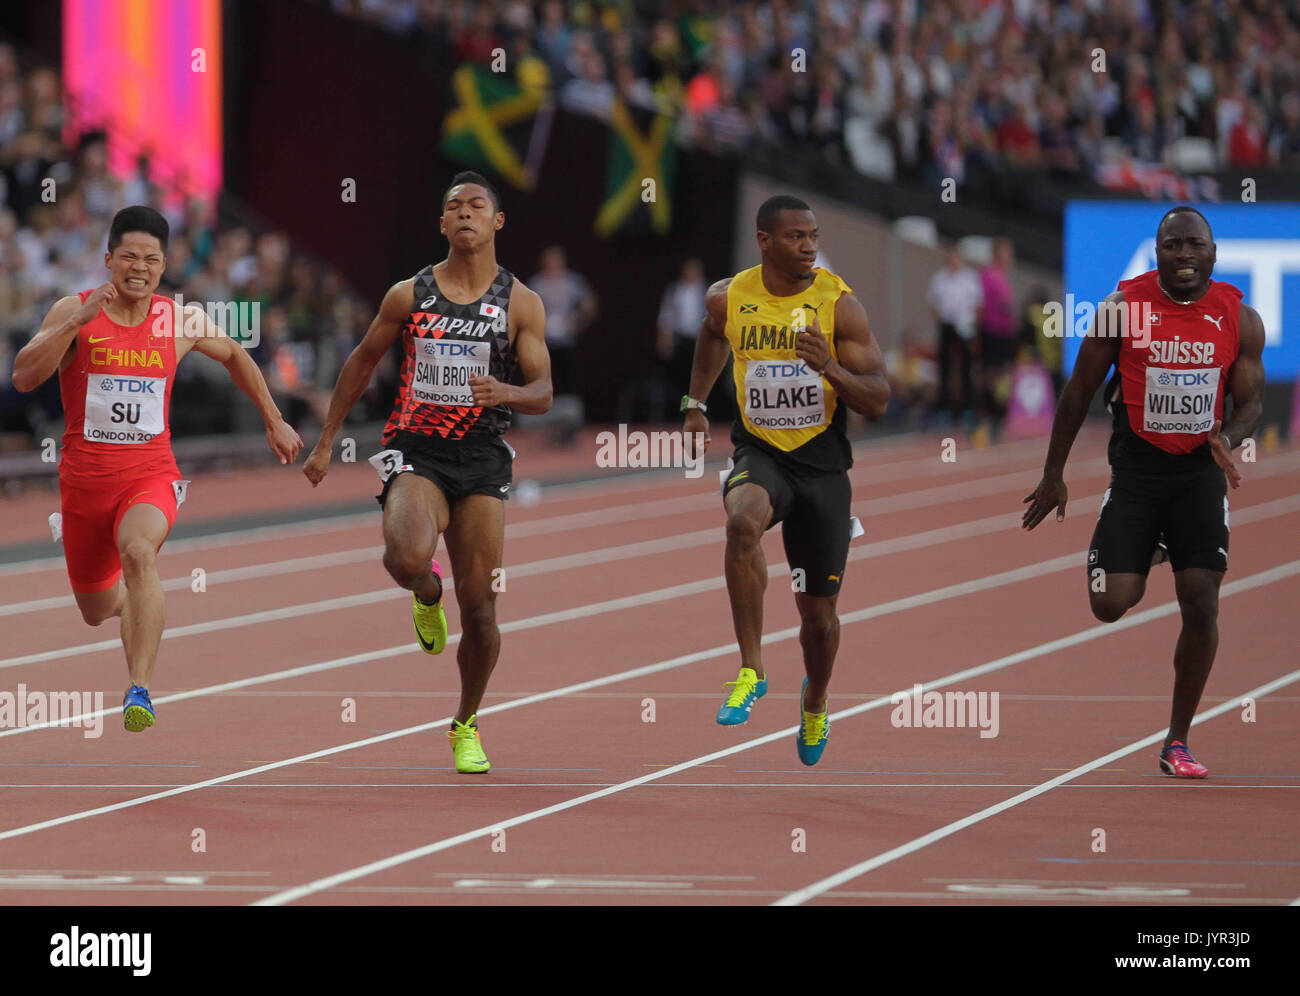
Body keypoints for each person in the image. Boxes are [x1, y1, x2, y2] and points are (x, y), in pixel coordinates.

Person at [10, 205, 302, 731]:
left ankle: (138, 688)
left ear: (164, 265)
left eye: (150, 259)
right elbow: (24, 377)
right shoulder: (72, 310)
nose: (139, 268)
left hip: (150, 475)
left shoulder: (180, 318)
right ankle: (142, 609)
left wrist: (273, 419)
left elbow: (235, 353)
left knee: (140, 553)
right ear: (108, 260)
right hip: (83, 486)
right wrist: (74, 325)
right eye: (128, 257)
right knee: (96, 610)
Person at [303, 172, 552, 774]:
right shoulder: (408, 295)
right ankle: (425, 592)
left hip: (482, 461)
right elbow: (362, 363)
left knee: (484, 614)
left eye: (476, 206)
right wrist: (327, 439)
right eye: (453, 207)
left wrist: (506, 393)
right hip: (418, 452)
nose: (464, 213)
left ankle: (465, 722)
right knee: (404, 557)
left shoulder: (521, 302)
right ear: (441, 224)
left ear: (497, 222)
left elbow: (544, 393)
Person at [1022, 206, 1265, 778]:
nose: (1184, 255)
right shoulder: (1121, 310)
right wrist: (1054, 473)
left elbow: (1251, 401)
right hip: (1136, 473)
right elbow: (1080, 389)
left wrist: (1229, 437)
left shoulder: (1239, 317)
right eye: (1172, 245)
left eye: (1194, 245)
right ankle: (1149, 544)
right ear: (1156, 253)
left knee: (1201, 599)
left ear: (1213, 253)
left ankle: (1177, 740)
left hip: (1200, 473)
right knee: (1109, 603)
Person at [683, 194, 889, 765]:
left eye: (814, 236)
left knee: (818, 619)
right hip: (762, 452)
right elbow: (710, 334)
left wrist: (831, 368)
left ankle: (816, 700)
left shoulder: (839, 305)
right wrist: (694, 400)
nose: (809, 247)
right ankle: (751, 669)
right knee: (741, 520)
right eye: (797, 237)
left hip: (823, 467)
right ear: (764, 241)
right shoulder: (730, 297)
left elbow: (880, 397)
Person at [528, 244, 596, 398]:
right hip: (543, 339)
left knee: (567, 376)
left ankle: (569, 410)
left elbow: (589, 304)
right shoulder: (537, 282)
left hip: (567, 338)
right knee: (544, 376)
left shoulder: (572, 281)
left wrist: (578, 320)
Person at [927, 243, 982, 423]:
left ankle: (968, 409)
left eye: (956, 257)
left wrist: (971, 326)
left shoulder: (970, 278)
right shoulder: (940, 279)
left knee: (966, 368)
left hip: (964, 325)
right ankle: (944, 410)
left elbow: (978, 305)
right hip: (947, 324)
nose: (953, 260)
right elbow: (933, 303)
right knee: (944, 368)